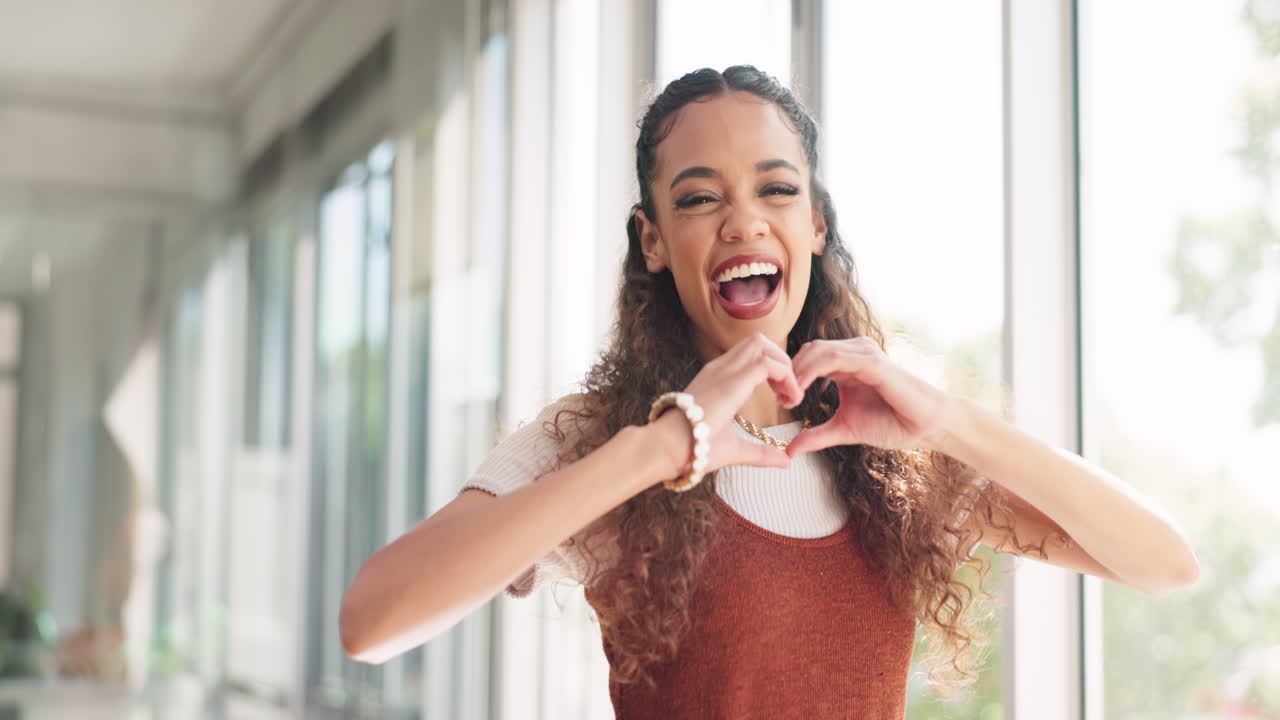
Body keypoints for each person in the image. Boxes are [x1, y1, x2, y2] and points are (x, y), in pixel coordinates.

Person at [339, 66, 1199, 718]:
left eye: (776, 189)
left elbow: (1165, 564)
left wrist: (947, 421)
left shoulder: (893, 458)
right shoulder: (602, 437)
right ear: (652, 240)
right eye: (698, 198)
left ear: (814, 225)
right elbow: (373, 622)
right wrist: (662, 446)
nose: (743, 220)